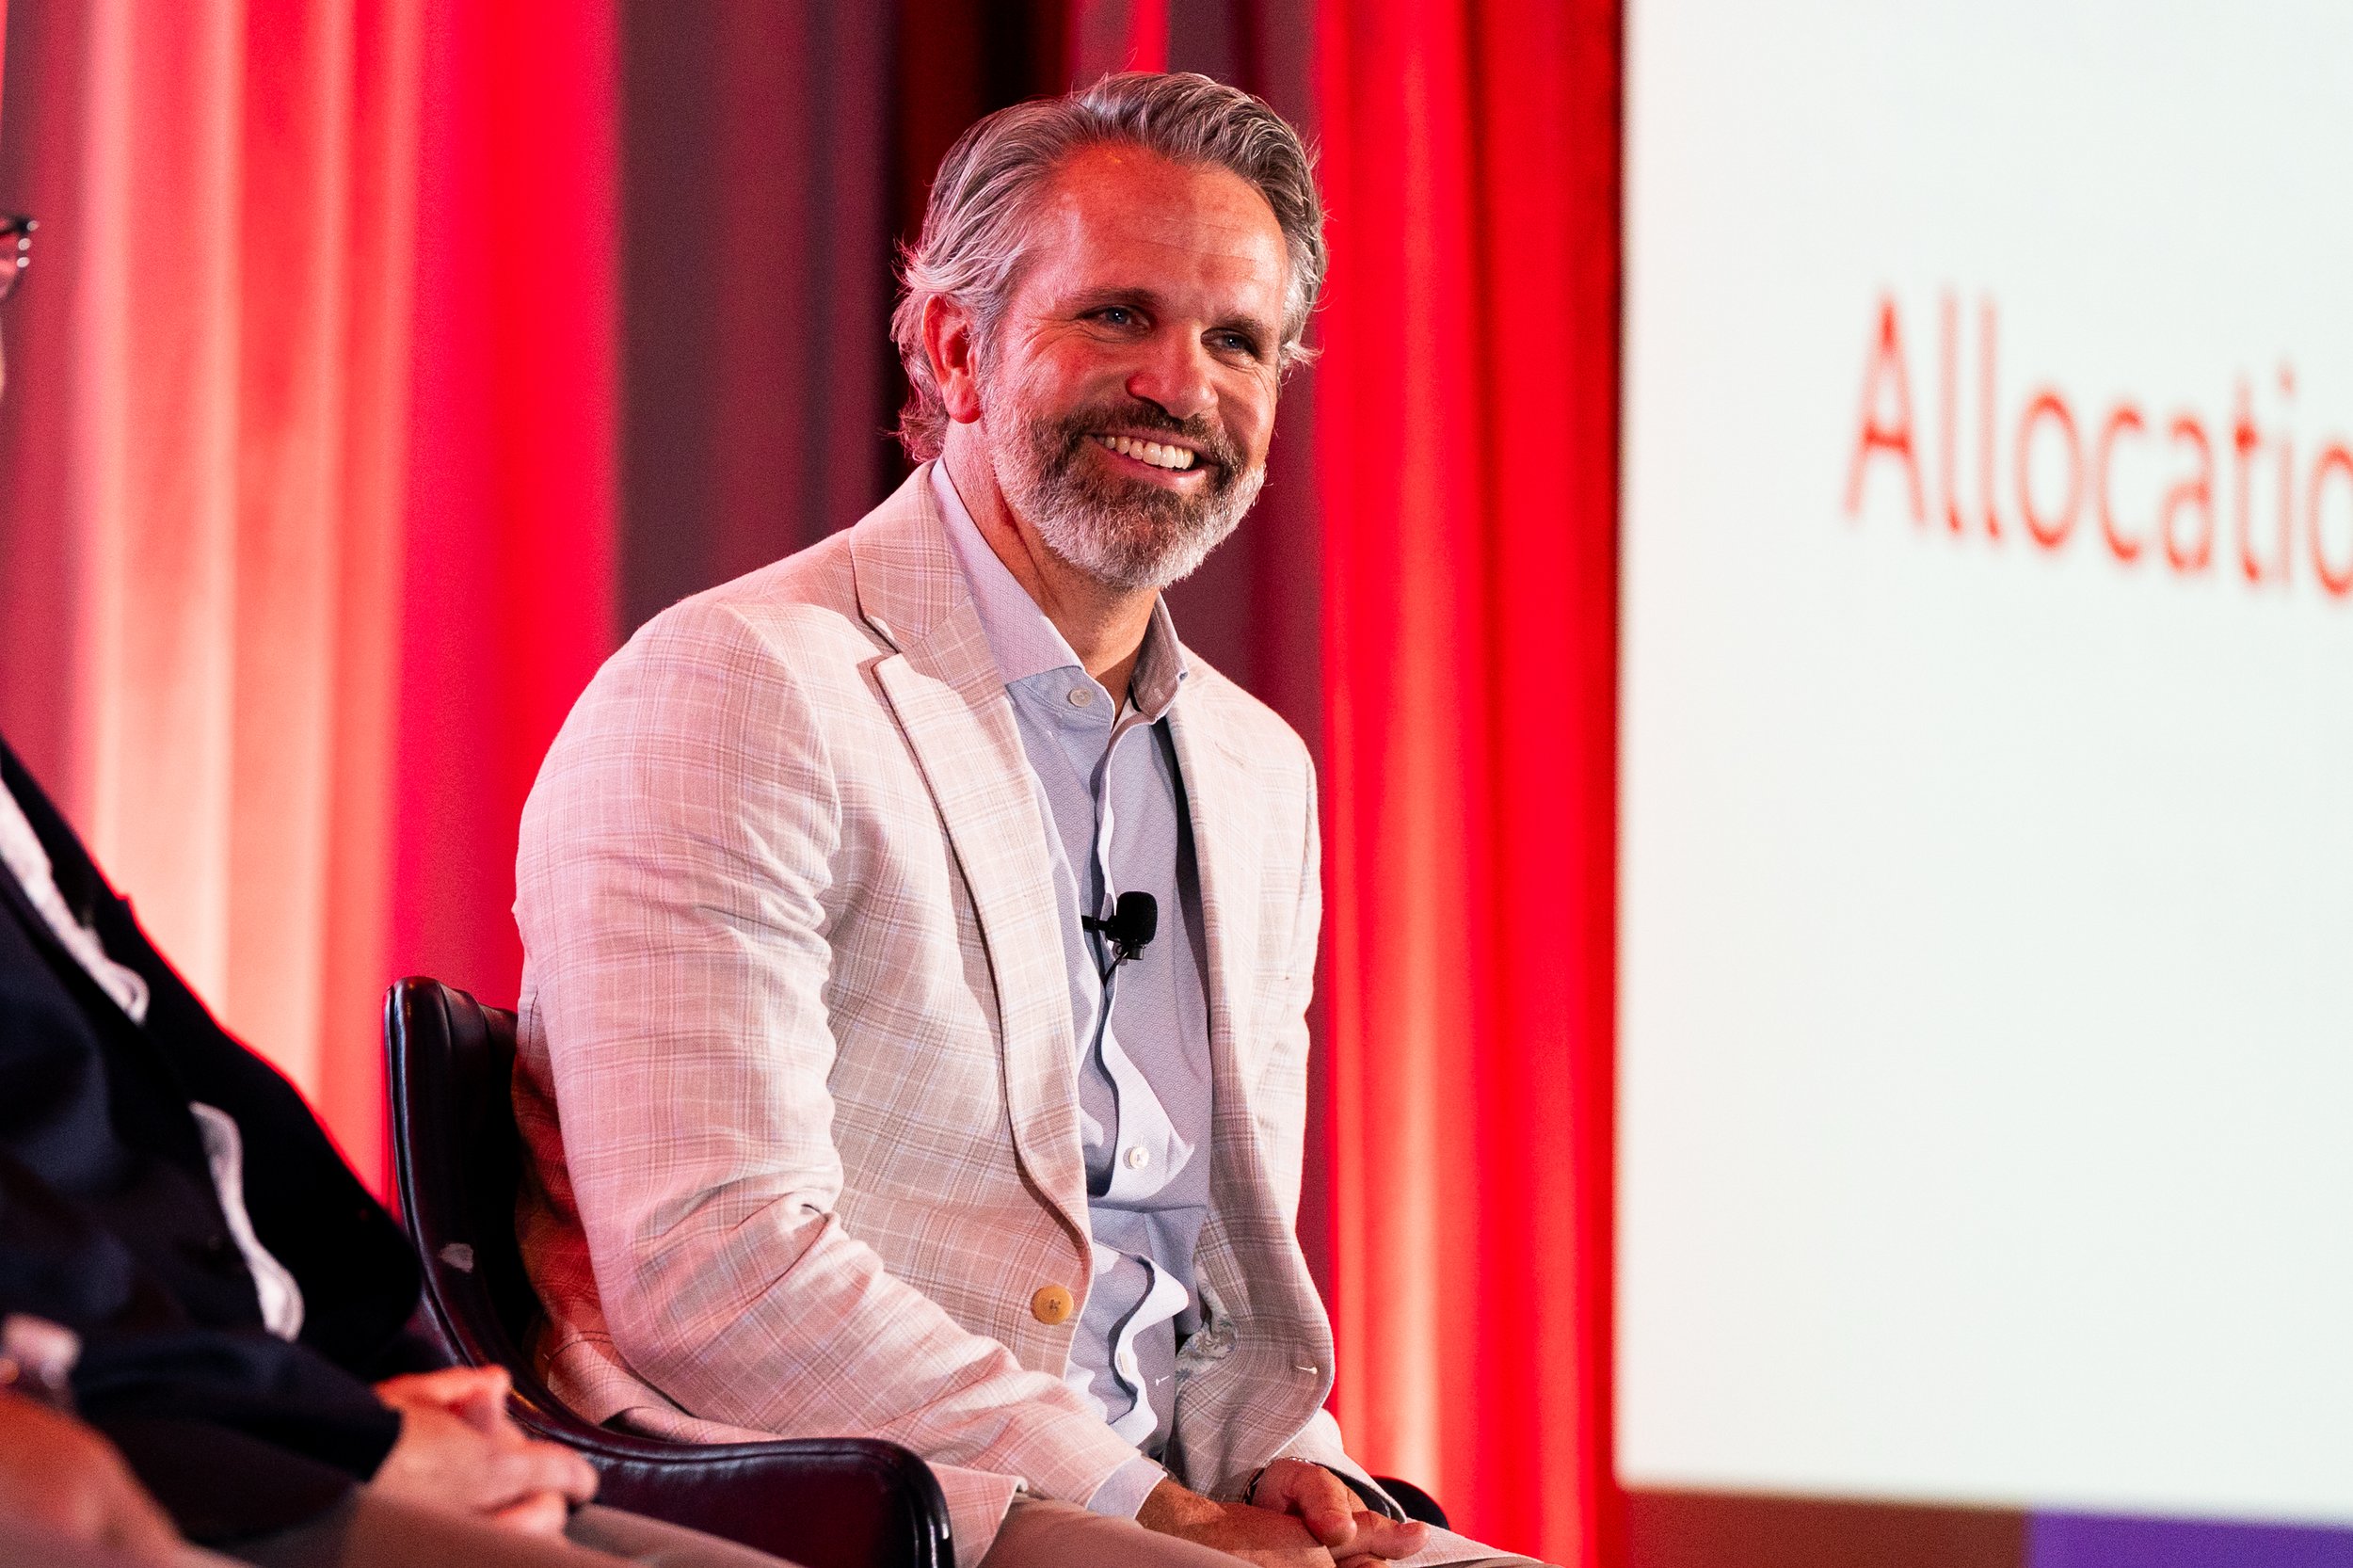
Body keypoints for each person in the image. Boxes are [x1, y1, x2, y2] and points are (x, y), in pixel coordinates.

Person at [513, 73, 1541, 1568]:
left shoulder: (1259, 773)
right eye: (1119, 315)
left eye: (1238, 341)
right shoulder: (739, 685)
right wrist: (1157, 1512)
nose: (1182, 387)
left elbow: (1210, 1290)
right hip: (855, 1504)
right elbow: (715, 1269)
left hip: (1162, 1509)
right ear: (957, 348)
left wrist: (1289, 1466)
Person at [0, 224, 791, 1567]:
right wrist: (352, 1434)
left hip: (285, 1399)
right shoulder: (735, 686)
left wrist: (391, 1387)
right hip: (158, 1448)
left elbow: (180, 1126)